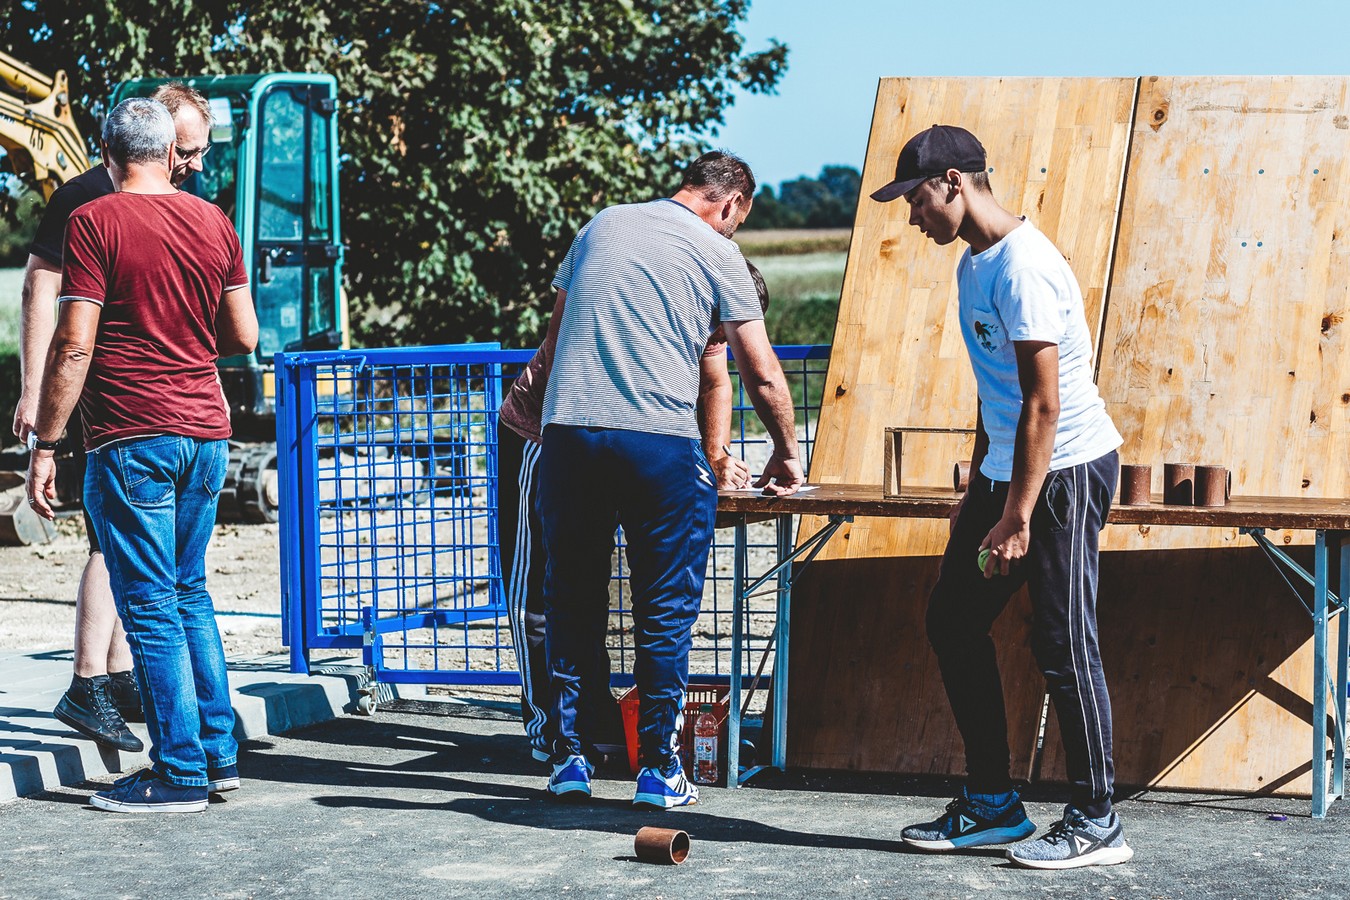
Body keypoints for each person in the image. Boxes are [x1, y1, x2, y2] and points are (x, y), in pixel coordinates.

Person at [870, 125, 1130, 868]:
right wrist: (982, 488)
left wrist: (1016, 515)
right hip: (1007, 473)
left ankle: (1098, 821)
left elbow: (1044, 404)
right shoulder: (974, 264)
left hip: (1065, 471)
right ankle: (993, 804)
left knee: (1062, 640)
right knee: (953, 620)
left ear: (953, 182)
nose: (913, 216)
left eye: (916, 199)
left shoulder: (1024, 267)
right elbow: (1000, 393)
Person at [537, 151, 803, 808]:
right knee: (664, 611)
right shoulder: (720, 253)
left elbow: (556, 337)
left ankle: (569, 758)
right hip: (656, 443)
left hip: (569, 435)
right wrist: (786, 451)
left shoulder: (601, 224)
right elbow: (760, 371)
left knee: (571, 602)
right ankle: (658, 768)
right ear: (732, 203)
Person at [26, 96, 258, 814]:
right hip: (207, 433)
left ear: (107, 153)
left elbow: (74, 345)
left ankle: (179, 772)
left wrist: (44, 443)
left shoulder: (96, 221)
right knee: (189, 593)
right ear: (169, 151)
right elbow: (243, 335)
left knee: (151, 604)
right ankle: (218, 756)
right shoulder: (214, 221)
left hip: (133, 436)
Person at [496, 261, 769, 764]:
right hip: (543, 432)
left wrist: (716, 456)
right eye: (721, 331)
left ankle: (592, 726)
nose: (717, 342)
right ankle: (549, 727)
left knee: (592, 592)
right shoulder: (661, 296)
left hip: (606, 441)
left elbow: (715, 382)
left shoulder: (705, 302)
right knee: (545, 587)